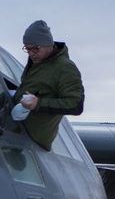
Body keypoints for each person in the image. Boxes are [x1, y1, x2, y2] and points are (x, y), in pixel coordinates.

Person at [13, 20, 85, 150]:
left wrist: (38, 104)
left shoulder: (65, 68)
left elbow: (76, 104)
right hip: (18, 132)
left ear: (47, 44)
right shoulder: (37, 62)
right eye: (27, 49)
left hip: (33, 142)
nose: (30, 54)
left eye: (34, 49)